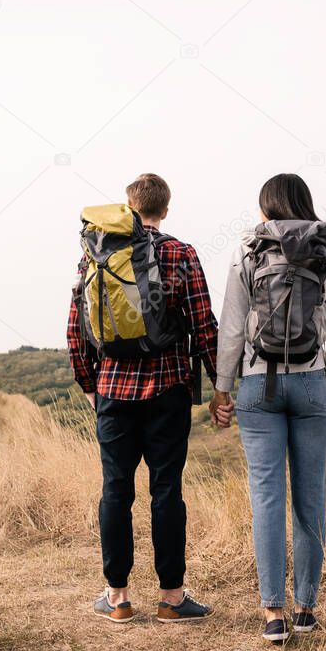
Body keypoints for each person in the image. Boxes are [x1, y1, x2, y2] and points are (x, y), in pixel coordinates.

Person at [67, 173, 226, 624]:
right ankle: (172, 598)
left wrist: (89, 384)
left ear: (128, 206)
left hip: (113, 391)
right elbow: (204, 326)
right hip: (168, 391)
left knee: (115, 490)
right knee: (166, 492)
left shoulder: (97, 252)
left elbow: (76, 327)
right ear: (165, 209)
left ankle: (117, 598)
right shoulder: (181, 253)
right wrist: (220, 386)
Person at [212, 173, 326, 643]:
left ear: (266, 206)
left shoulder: (247, 249)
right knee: (310, 498)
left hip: (257, 386)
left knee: (267, 498)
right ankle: (306, 608)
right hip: (313, 384)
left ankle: (273, 612)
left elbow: (231, 327)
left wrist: (222, 387)